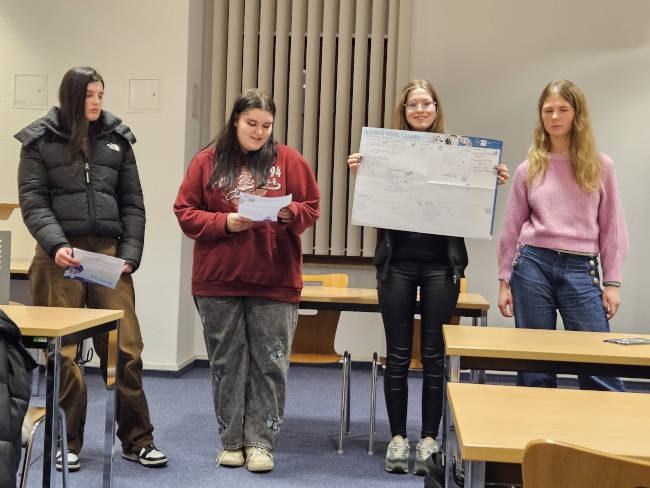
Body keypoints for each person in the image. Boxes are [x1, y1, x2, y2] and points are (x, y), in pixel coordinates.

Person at [347, 79, 509, 475]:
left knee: (435, 356)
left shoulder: (459, 152)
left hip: (441, 266)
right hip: (396, 265)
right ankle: (398, 439)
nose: (420, 110)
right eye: (412, 104)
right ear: (403, 111)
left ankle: (429, 441)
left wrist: (488, 178)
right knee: (399, 355)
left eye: (427, 103)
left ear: (436, 108)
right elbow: (375, 201)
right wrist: (363, 174)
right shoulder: (385, 152)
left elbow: (471, 200)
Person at [16, 66, 167, 471]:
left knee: (125, 349)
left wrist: (130, 254)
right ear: (70, 96)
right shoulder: (39, 140)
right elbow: (33, 200)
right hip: (57, 258)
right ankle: (68, 442)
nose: (97, 102)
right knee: (63, 354)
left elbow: (133, 203)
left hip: (106, 257)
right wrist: (57, 245)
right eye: (89, 95)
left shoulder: (117, 138)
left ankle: (138, 440)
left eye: (101, 94)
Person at [174, 89, 320, 472]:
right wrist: (223, 221)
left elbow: (311, 207)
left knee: (271, 364)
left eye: (266, 126)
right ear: (235, 120)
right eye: (251, 123)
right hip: (217, 280)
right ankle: (231, 442)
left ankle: (260, 444)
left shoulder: (289, 160)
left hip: (275, 278)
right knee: (226, 364)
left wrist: (291, 213)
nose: (259, 132)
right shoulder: (207, 161)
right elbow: (185, 211)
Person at [497, 80, 628, 391]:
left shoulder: (601, 166)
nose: (554, 116)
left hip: (581, 268)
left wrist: (612, 283)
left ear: (576, 114)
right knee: (535, 364)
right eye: (548, 110)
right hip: (531, 266)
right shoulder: (528, 169)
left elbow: (613, 228)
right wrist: (504, 281)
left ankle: (608, 423)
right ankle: (537, 422)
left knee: (597, 363)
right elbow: (511, 229)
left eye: (562, 109)